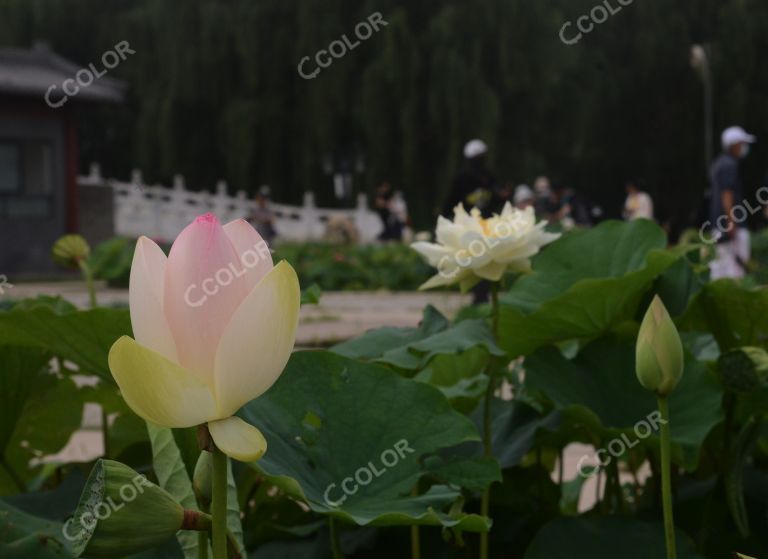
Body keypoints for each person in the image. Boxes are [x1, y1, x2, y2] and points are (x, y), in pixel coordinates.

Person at [708, 126, 756, 279]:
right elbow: (727, 194)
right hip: (730, 224)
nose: (744, 147)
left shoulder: (718, 164)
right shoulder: (730, 165)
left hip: (717, 223)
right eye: (742, 143)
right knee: (735, 268)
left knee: (720, 264)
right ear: (734, 144)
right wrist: (731, 221)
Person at [443, 139, 497, 216]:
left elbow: (494, 199)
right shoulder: (461, 178)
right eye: (477, 157)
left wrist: (501, 196)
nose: (480, 159)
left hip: (487, 219)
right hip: (466, 220)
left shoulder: (489, 176)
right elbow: (452, 200)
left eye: (481, 156)